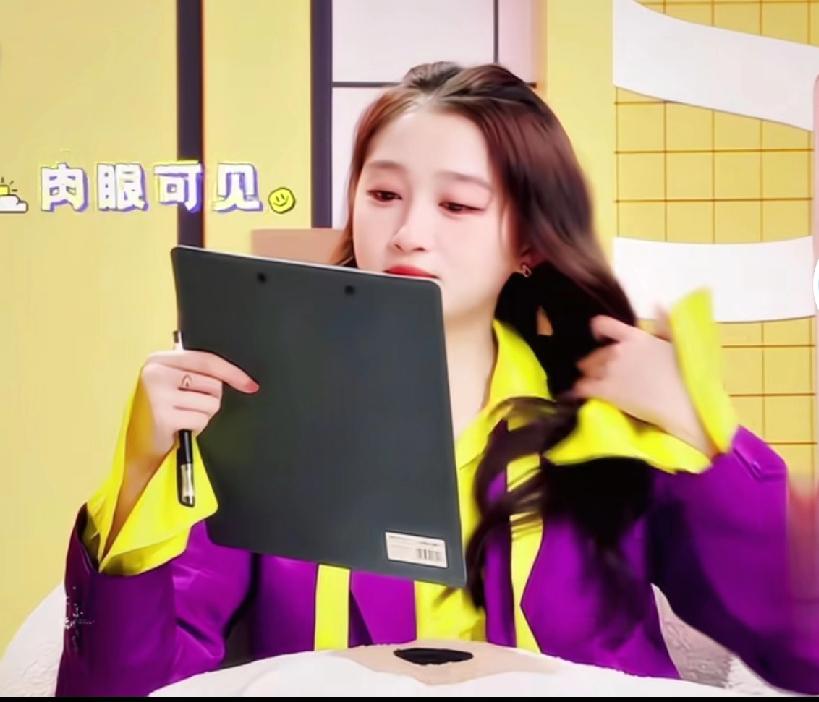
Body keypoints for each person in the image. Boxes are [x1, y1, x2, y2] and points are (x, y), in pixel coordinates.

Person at [56, 62, 819, 696]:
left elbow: (801, 651)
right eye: (383, 195)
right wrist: (141, 472)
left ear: (528, 243)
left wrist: (701, 431)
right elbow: (128, 686)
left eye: (457, 204)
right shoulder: (258, 409)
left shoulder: (609, 415)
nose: (408, 234)